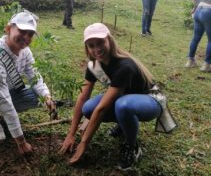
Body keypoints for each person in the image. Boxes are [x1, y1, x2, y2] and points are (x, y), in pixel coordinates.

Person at [60, 23, 177, 171]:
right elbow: (83, 97)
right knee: (88, 107)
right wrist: (71, 134)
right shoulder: (94, 65)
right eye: (91, 45)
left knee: (123, 106)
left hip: (151, 100)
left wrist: (83, 143)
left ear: (109, 40)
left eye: (101, 42)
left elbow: (102, 109)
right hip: (125, 97)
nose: (97, 49)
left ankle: (132, 146)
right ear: (87, 48)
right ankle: (124, 125)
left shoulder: (124, 66)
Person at [0, 11, 56, 155]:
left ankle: (1, 112)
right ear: (8, 29)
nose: (26, 37)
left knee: (39, 97)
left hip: (7, 90)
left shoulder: (25, 51)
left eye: (30, 34)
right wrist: (21, 142)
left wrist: (47, 97)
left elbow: (35, 76)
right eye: (22, 31)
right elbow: (4, 100)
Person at [185, 0, 211, 72]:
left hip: (199, 9)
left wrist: (195, 7)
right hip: (209, 10)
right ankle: (206, 65)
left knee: (196, 37)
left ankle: (190, 61)